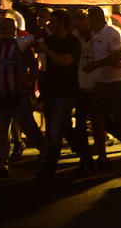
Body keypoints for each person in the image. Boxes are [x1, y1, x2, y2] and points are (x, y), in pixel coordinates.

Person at [34, 9, 89, 181]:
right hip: (50, 91)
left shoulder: (71, 42)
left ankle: (50, 167)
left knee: (55, 129)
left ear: (63, 24)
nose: (50, 25)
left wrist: (47, 50)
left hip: (66, 91)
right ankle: (86, 157)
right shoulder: (49, 40)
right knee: (63, 128)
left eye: (54, 22)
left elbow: (66, 61)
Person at [0, 17, 44, 177]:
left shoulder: (21, 46)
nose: (3, 30)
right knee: (0, 131)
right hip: (3, 96)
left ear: (14, 29)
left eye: (6, 27)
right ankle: (1, 165)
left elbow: (34, 65)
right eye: (1, 27)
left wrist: (28, 82)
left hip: (18, 96)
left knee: (30, 129)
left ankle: (47, 152)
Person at [84, 6, 121, 167]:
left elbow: (117, 55)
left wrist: (96, 64)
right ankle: (102, 155)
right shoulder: (93, 34)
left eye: (88, 19)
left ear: (94, 19)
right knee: (97, 118)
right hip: (101, 83)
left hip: (116, 83)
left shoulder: (111, 33)